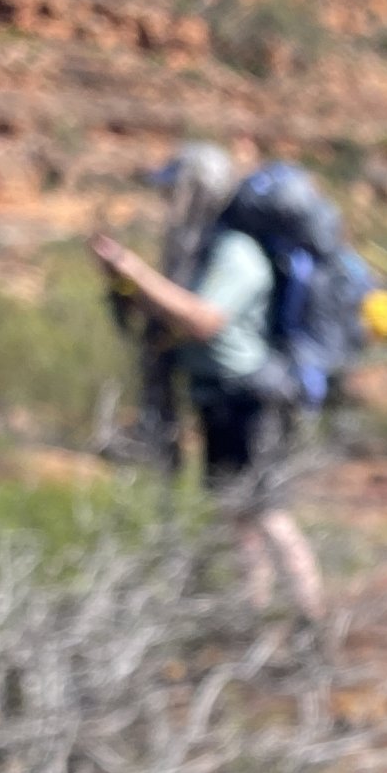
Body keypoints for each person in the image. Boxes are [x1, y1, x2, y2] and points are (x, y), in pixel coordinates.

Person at [90, 143, 326, 622]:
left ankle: (312, 624)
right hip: (216, 399)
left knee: (267, 513)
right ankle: (252, 619)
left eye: (175, 191)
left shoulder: (234, 252)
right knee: (239, 517)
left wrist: (134, 272)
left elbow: (202, 320)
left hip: (249, 398)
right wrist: (125, 285)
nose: (168, 203)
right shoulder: (198, 253)